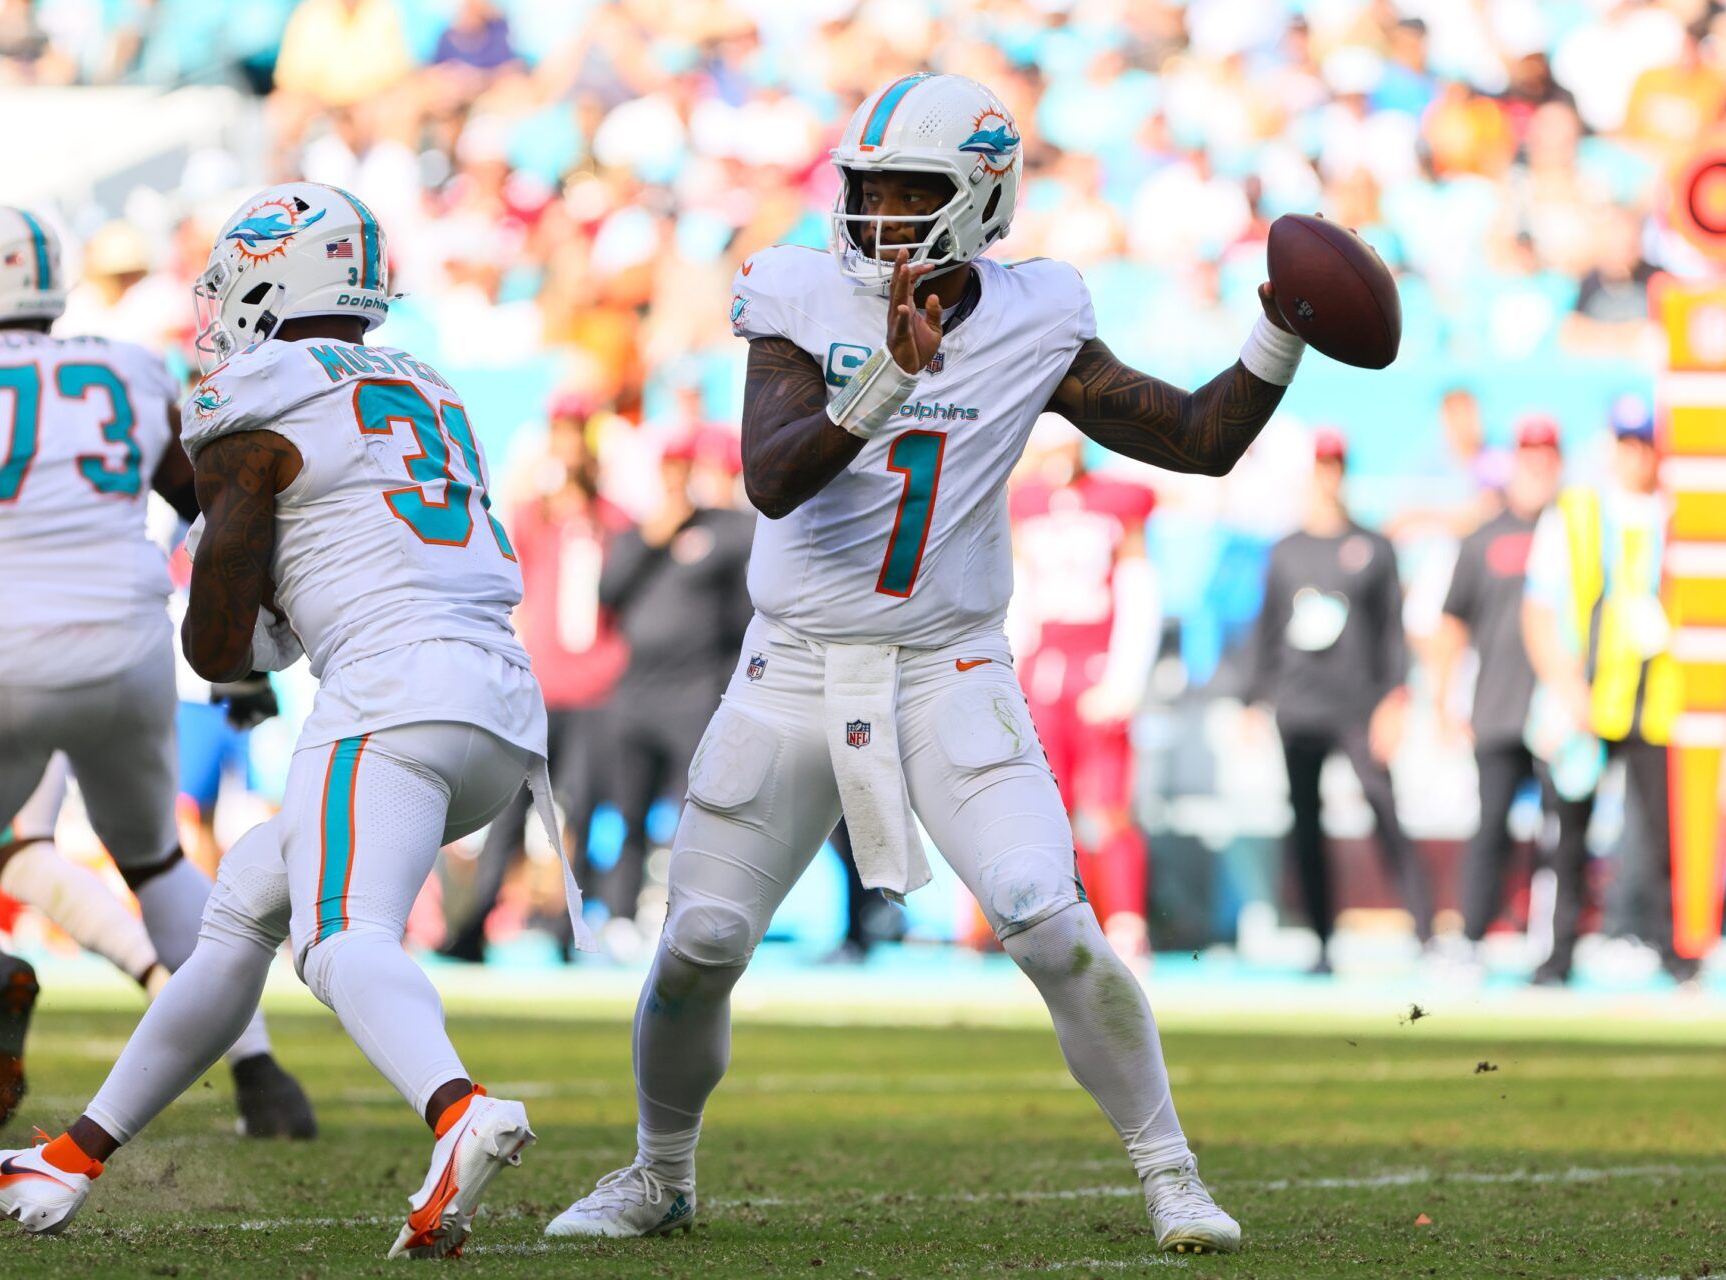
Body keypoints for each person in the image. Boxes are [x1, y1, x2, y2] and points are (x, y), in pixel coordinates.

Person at [549, 74, 1310, 1257]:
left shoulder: (1033, 315)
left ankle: (1171, 1171)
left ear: (983, 198)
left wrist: (1281, 328)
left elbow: (1198, 439)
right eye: (870, 189)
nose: (884, 215)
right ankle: (659, 1172)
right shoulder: (798, 289)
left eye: (917, 192)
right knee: (698, 942)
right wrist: (890, 375)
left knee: (1044, 917)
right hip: (793, 665)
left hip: (946, 664)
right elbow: (774, 472)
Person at [0, 184, 581, 1259]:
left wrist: (230, 630)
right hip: (501, 704)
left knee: (337, 937)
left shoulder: (257, 387)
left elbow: (216, 640)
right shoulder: (426, 379)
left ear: (273, 276)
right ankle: (76, 1156)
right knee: (246, 898)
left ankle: (457, 1105)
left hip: (392, 692)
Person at [0, 206, 306, 1133]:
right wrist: (241, 659)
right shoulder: (125, 367)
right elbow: (210, 514)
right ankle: (262, 1075)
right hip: (129, 655)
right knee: (156, 859)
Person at [440, 397, 626, 960]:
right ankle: (478, 920)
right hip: (539, 681)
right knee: (509, 808)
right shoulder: (535, 516)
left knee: (580, 809)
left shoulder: (610, 522)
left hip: (593, 685)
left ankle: (572, 927)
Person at [1246, 429, 1432, 967]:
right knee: (1306, 824)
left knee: (1386, 813)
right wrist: (1254, 701)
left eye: (1336, 465)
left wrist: (1396, 700)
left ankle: (1426, 934)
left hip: (1360, 707)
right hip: (1301, 708)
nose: (1328, 475)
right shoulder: (1286, 551)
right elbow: (1268, 631)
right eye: (1321, 465)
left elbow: (1393, 633)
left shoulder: (1374, 546)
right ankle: (1321, 944)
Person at [1522, 398, 1692, 983]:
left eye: (1644, 442)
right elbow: (1540, 609)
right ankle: (1559, 955)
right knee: (1567, 834)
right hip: (1585, 695)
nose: (1636, 455)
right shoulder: (1576, 511)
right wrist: (1566, 687)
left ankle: (1674, 951)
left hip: (1656, 700)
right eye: (1626, 442)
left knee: (1663, 835)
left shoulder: (1681, 515)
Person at [1010, 415, 1161, 963]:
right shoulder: (1024, 503)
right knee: (1049, 805)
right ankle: (1057, 915)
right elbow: (1019, 592)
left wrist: (1127, 674)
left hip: (1097, 662)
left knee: (1111, 804)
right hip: (1044, 667)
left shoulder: (1118, 502)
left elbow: (1138, 587)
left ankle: (1125, 920)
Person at [598, 427, 753, 944]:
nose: (677, 478)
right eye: (670, 467)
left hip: (694, 693)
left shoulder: (727, 530)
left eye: (686, 467)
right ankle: (620, 914)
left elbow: (744, 611)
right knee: (629, 812)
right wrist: (651, 539)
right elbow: (608, 593)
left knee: (696, 813)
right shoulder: (638, 534)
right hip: (636, 693)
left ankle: (687, 909)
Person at [1432, 416, 1573, 959]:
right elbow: (1452, 623)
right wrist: (1446, 699)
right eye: (1530, 456)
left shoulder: (1574, 534)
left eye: (1548, 457)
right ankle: (1470, 938)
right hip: (1495, 708)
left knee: (1563, 833)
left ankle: (1557, 946)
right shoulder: (1484, 538)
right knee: (1489, 828)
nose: (1538, 468)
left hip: (1559, 713)